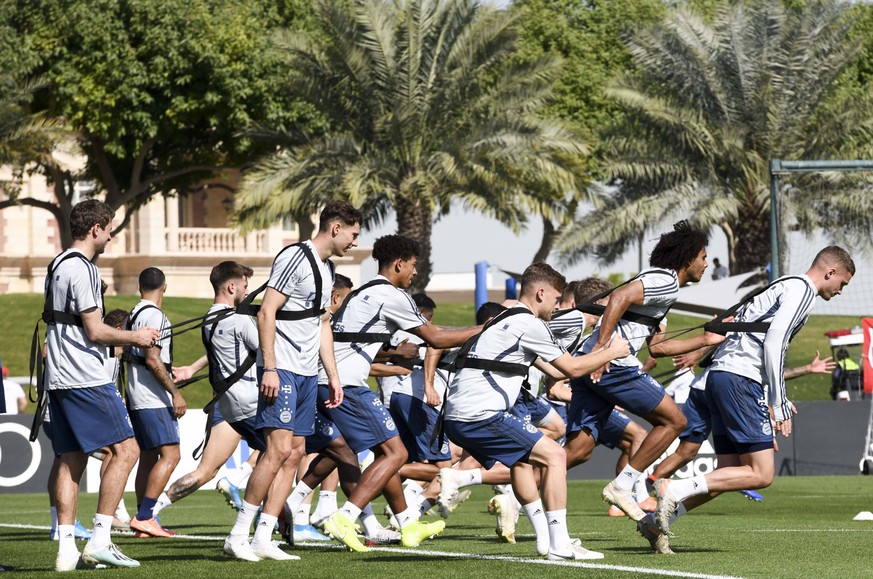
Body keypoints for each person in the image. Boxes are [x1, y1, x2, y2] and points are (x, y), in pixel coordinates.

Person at [650, 246, 854, 551]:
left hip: (719, 378)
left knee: (729, 472)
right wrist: (778, 401)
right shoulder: (802, 291)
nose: (840, 291)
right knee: (762, 474)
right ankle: (673, 488)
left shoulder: (782, 284)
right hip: (740, 379)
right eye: (843, 284)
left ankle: (655, 524)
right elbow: (775, 342)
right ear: (830, 272)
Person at [443, 262, 631, 560]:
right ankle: (560, 544)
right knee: (555, 455)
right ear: (541, 293)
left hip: (458, 415)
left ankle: (546, 539)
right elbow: (570, 366)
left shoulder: (505, 318)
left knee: (522, 461)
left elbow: (553, 369)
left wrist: (579, 368)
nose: (557, 307)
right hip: (480, 415)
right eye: (557, 300)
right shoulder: (530, 324)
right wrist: (612, 352)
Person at [320, 234, 480, 552]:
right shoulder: (392, 296)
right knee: (397, 454)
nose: (414, 272)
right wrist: (486, 328)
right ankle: (344, 516)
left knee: (382, 455)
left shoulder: (362, 293)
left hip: (324, 381)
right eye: (412, 265)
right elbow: (435, 338)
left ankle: (407, 525)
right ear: (398, 264)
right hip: (347, 386)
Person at [224, 200, 361, 562]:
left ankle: (263, 537)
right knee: (278, 450)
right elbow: (267, 312)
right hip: (281, 368)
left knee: (296, 452)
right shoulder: (294, 257)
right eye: (354, 234)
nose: (355, 242)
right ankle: (238, 534)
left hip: (304, 373)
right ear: (336, 228)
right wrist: (269, 368)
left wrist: (332, 376)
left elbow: (322, 325)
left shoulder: (328, 270)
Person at [568, 221, 725, 522]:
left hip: (593, 366)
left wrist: (705, 340)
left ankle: (513, 494)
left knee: (578, 451)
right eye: (703, 257)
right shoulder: (665, 281)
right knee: (675, 421)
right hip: (612, 364)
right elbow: (618, 297)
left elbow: (658, 348)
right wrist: (603, 350)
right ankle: (623, 486)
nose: (706, 264)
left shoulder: (666, 288)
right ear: (689, 257)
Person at [43, 199, 159, 571]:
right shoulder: (85, 269)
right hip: (85, 376)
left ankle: (65, 551)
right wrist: (136, 338)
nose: (111, 236)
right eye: (109, 229)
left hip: (59, 376)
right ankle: (101, 539)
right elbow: (95, 330)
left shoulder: (57, 264)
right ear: (95, 229)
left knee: (71, 458)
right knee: (127, 450)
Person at [151, 262, 265, 523]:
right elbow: (267, 350)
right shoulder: (239, 319)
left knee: (205, 471)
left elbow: (219, 351)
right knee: (283, 449)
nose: (248, 293)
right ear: (231, 286)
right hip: (249, 401)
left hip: (224, 406)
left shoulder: (209, 319)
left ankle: (150, 511)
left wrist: (192, 367)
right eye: (245, 287)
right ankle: (261, 514)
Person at [125, 267, 187, 538]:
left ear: (140, 288)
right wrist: (175, 391)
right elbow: (152, 359)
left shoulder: (133, 315)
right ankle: (144, 516)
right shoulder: (155, 316)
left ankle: (143, 520)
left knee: (149, 457)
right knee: (172, 455)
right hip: (152, 398)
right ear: (165, 287)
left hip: (136, 396)